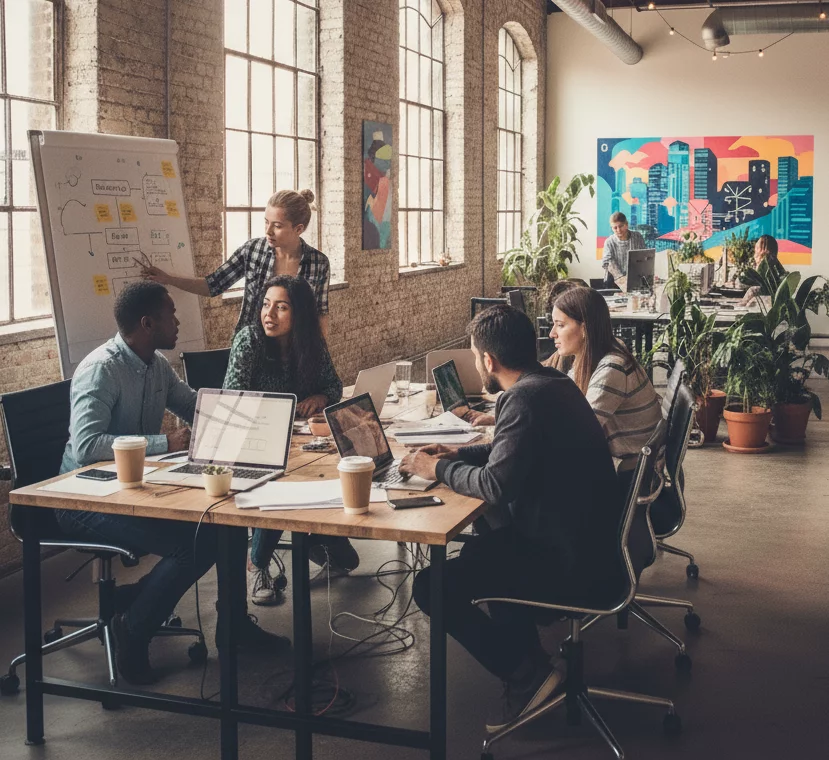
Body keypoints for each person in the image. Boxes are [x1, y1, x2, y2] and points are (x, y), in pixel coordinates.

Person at [399, 305, 626, 732]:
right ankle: (530, 659)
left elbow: (494, 486)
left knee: (432, 586)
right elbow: (512, 446)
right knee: (484, 545)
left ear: (489, 361)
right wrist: (458, 453)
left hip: (569, 562)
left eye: (474, 355)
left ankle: (526, 676)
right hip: (587, 542)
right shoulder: (550, 382)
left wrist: (436, 469)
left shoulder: (521, 397)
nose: (476, 363)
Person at [56, 282, 288, 684]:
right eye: (171, 313)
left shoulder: (155, 364)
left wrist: (263, 422)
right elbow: (88, 445)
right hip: (82, 499)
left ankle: (231, 626)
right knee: (188, 545)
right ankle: (134, 628)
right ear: (147, 323)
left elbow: (195, 406)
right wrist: (164, 442)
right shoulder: (101, 370)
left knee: (225, 526)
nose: (178, 321)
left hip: (133, 489)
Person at [223, 275, 358, 605]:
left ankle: (309, 537)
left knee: (347, 561)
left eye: (281, 307)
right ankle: (257, 564)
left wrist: (320, 398)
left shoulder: (310, 343)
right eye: (266, 305)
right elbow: (232, 398)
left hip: (299, 443)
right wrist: (276, 413)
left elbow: (334, 385)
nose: (269, 314)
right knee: (280, 483)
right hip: (253, 443)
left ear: (299, 314)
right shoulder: (249, 340)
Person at [139, 189, 331, 336]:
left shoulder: (319, 263)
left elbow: (320, 314)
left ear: (299, 229)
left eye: (277, 226)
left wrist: (320, 360)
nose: (268, 231)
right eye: (266, 222)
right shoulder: (252, 251)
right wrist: (169, 279)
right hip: (251, 348)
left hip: (296, 352)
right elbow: (212, 285)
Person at [551, 287, 662, 476]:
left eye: (560, 325)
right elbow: (565, 404)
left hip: (631, 473)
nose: (552, 333)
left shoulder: (612, 368)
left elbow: (576, 433)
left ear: (584, 328)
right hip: (625, 463)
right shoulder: (599, 354)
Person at [601, 212, 646, 291]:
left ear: (626, 224)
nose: (618, 230)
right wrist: (622, 279)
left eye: (621, 226)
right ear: (612, 228)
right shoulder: (609, 242)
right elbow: (607, 263)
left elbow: (643, 257)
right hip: (614, 282)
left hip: (636, 279)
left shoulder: (638, 237)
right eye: (615, 228)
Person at [739, 234, 786, 306]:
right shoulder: (771, 260)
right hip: (771, 294)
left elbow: (762, 283)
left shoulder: (767, 261)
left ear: (763, 247)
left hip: (771, 294)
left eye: (758, 245)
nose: (755, 246)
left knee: (752, 292)